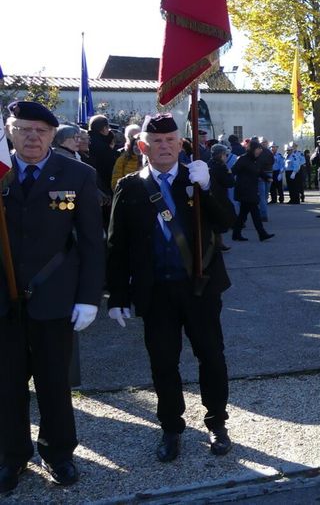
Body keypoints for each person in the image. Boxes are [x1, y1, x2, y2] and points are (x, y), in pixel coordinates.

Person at [106, 113, 238, 463]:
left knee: (211, 357)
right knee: (163, 363)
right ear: (143, 146)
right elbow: (116, 246)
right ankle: (171, 428)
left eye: (171, 140)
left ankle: (217, 423)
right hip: (156, 292)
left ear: (181, 144)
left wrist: (208, 187)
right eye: (156, 141)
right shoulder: (131, 186)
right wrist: (117, 295)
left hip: (200, 288)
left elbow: (228, 220)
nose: (164, 147)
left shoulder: (198, 178)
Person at [0, 101, 103, 493]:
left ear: (51, 135)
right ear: (9, 130)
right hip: (3, 302)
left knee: (53, 383)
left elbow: (92, 242)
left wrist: (89, 297)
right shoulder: (0, 171)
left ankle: (59, 453)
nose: (32, 137)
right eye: (24, 129)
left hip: (55, 298)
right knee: (6, 385)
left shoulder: (77, 174)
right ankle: (12, 456)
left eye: (41, 131)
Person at [232, 139, 274, 242]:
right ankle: (262, 233)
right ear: (252, 149)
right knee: (255, 212)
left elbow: (259, 171)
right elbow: (233, 171)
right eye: (258, 148)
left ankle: (236, 234)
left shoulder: (255, 160)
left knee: (243, 214)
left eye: (260, 148)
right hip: (244, 190)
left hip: (251, 189)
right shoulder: (242, 159)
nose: (260, 150)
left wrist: (266, 178)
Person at [111, 123, 144, 190]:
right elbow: (115, 184)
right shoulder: (122, 158)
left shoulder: (150, 159)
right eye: (131, 136)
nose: (134, 138)